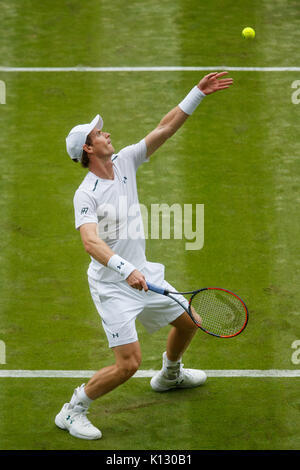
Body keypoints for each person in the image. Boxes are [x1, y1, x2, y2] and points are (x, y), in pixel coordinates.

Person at [55, 72, 233, 440]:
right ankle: (72, 411)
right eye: (98, 134)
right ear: (88, 149)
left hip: (143, 274)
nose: (106, 134)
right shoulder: (85, 194)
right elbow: (91, 243)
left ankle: (170, 375)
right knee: (129, 364)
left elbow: (164, 129)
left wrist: (197, 93)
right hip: (112, 287)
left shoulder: (124, 163)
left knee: (188, 321)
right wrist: (124, 269)